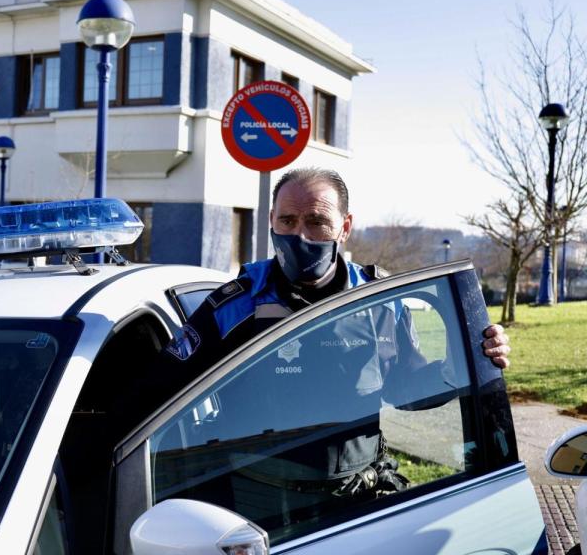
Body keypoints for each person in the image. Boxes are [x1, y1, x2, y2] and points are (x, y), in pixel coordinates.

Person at [144, 167, 511, 510]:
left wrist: (467, 358)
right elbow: (159, 388)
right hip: (259, 501)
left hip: (356, 499)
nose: (300, 235)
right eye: (287, 220)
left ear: (344, 227)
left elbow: (406, 387)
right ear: (271, 221)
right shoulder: (234, 306)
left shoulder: (380, 301)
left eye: (317, 221)